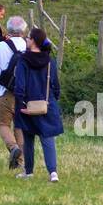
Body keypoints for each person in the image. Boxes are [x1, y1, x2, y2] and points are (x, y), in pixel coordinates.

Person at [13, 27, 63, 182]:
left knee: (28, 138)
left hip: (27, 103)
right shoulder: (49, 61)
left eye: (29, 38)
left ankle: (29, 171)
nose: (27, 40)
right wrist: (52, 100)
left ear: (33, 41)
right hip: (45, 104)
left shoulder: (23, 59)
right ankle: (52, 172)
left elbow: (19, 84)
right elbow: (55, 84)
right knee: (47, 137)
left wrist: (20, 103)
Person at [0, 15, 28, 170]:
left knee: (3, 123)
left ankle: (13, 148)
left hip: (5, 92)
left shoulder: (1, 46)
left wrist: (2, 71)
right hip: (25, 94)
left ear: (8, 29)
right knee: (20, 126)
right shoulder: (29, 46)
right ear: (24, 30)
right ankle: (20, 162)